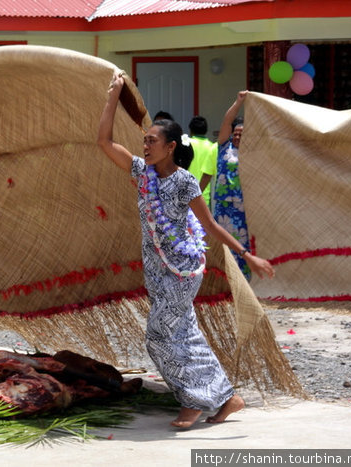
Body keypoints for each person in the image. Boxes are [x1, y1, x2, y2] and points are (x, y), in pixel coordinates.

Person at [98, 73, 275, 428]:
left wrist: (248, 254)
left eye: (151, 141)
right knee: (181, 333)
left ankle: (193, 401)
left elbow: (210, 226)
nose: (145, 146)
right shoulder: (141, 173)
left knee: (160, 335)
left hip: (181, 269)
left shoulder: (184, 182)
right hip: (156, 267)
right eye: (143, 141)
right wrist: (114, 95)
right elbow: (104, 141)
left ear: (170, 146)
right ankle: (226, 398)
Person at [213, 91, 251, 279]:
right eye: (235, 133)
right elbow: (227, 122)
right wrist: (238, 102)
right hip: (223, 204)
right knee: (220, 241)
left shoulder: (252, 153)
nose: (236, 137)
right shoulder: (224, 146)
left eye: (241, 134)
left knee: (242, 243)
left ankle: (242, 279)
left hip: (242, 205)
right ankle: (222, 277)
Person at [186, 115, 217, 206]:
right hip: (204, 197)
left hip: (186, 194)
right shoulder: (212, 147)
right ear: (206, 130)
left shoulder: (186, 144)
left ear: (191, 130)